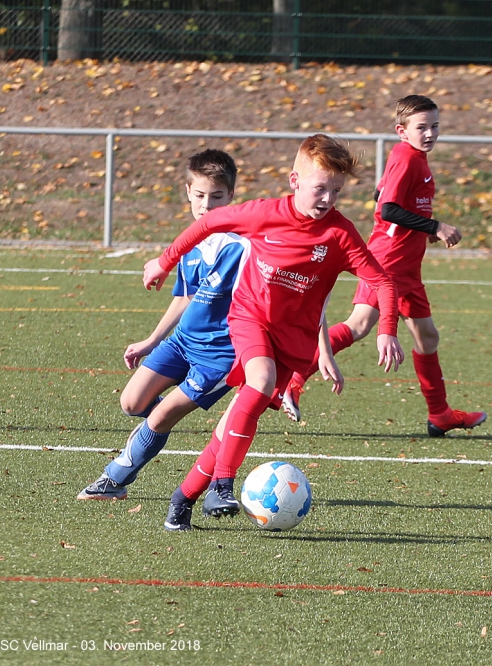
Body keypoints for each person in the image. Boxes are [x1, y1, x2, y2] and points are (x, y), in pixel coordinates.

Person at [142, 134, 405, 531]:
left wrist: (386, 330)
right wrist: (165, 262)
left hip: (293, 340)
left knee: (232, 425)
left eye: (336, 191)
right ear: (294, 181)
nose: (328, 199)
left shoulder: (339, 234)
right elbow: (209, 222)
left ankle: (183, 498)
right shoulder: (264, 213)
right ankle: (222, 485)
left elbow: (382, 282)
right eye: (320, 188)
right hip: (250, 317)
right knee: (260, 382)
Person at [280, 95, 487, 438]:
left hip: (408, 264)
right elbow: (388, 209)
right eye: (421, 127)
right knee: (360, 325)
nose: (430, 133)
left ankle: (440, 414)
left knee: (427, 336)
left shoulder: (413, 158)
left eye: (435, 126)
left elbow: (380, 195)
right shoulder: (406, 157)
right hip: (389, 258)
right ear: (402, 131)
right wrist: (434, 226)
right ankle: (293, 381)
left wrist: (420, 228)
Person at [77, 149, 250, 500]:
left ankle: (114, 480)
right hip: (183, 342)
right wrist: (152, 340)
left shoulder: (244, 246)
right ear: (188, 192)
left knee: (159, 418)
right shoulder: (190, 242)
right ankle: (160, 425)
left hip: (221, 355)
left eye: (216, 196)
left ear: (231, 196)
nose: (206, 205)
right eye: (199, 195)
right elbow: (185, 297)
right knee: (132, 402)